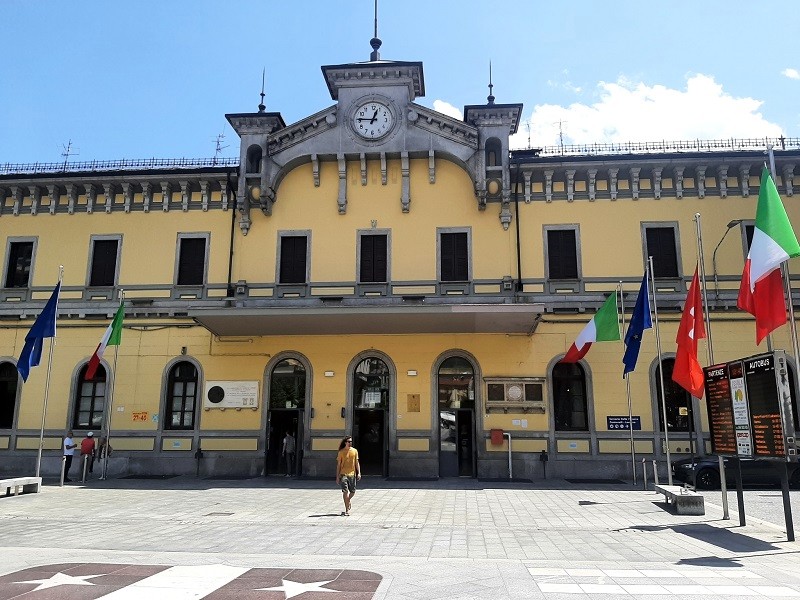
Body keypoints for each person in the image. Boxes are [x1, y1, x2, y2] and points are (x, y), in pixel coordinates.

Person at [336, 436, 360, 516]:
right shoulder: (341, 452)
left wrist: (359, 473)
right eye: (349, 441)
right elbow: (338, 465)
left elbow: (357, 463)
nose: (350, 443)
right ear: (345, 442)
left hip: (352, 474)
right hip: (343, 474)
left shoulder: (354, 451)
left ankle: (348, 500)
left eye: (351, 442)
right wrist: (337, 476)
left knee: (352, 492)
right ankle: (346, 509)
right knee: (345, 491)